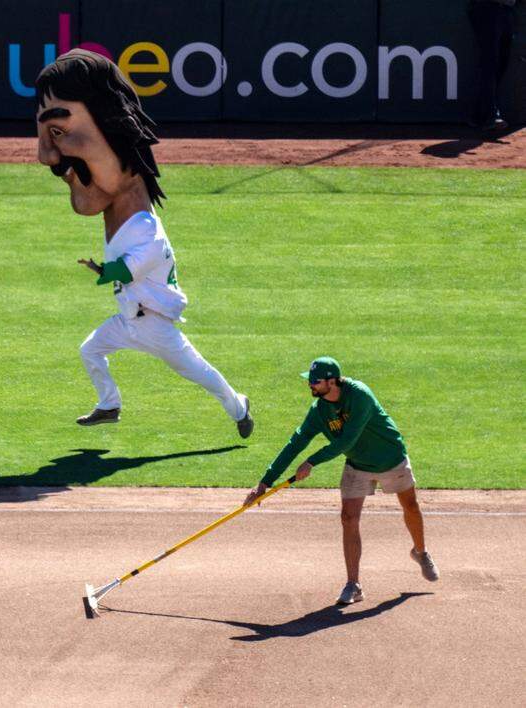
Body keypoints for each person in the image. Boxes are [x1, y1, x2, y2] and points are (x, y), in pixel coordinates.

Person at [34, 49, 252, 437]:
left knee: (199, 372)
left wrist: (101, 271)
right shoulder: (126, 222)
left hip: (155, 327)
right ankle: (109, 404)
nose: (49, 157)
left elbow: (125, 269)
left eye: (62, 133)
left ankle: (238, 406)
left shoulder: (148, 232)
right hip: (127, 320)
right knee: (90, 350)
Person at [243, 357, 439, 605]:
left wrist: (311, 462)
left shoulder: (360, 396)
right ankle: (353, 585)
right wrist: (265, 483)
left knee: (410, 506)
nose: (310, 385)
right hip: (357, 464)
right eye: (310, 380)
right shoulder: (319, 411)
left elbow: (346, 441)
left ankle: (420, 552)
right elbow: (296, 443)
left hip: (389, 458)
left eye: (316, 381)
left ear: (332, 381)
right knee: (348, 518)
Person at [468, 0, 518, 130]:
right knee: (490, 63)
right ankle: (489, 115)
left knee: (501, 64)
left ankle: (479, 115)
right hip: (487, 8)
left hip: (507, 10)